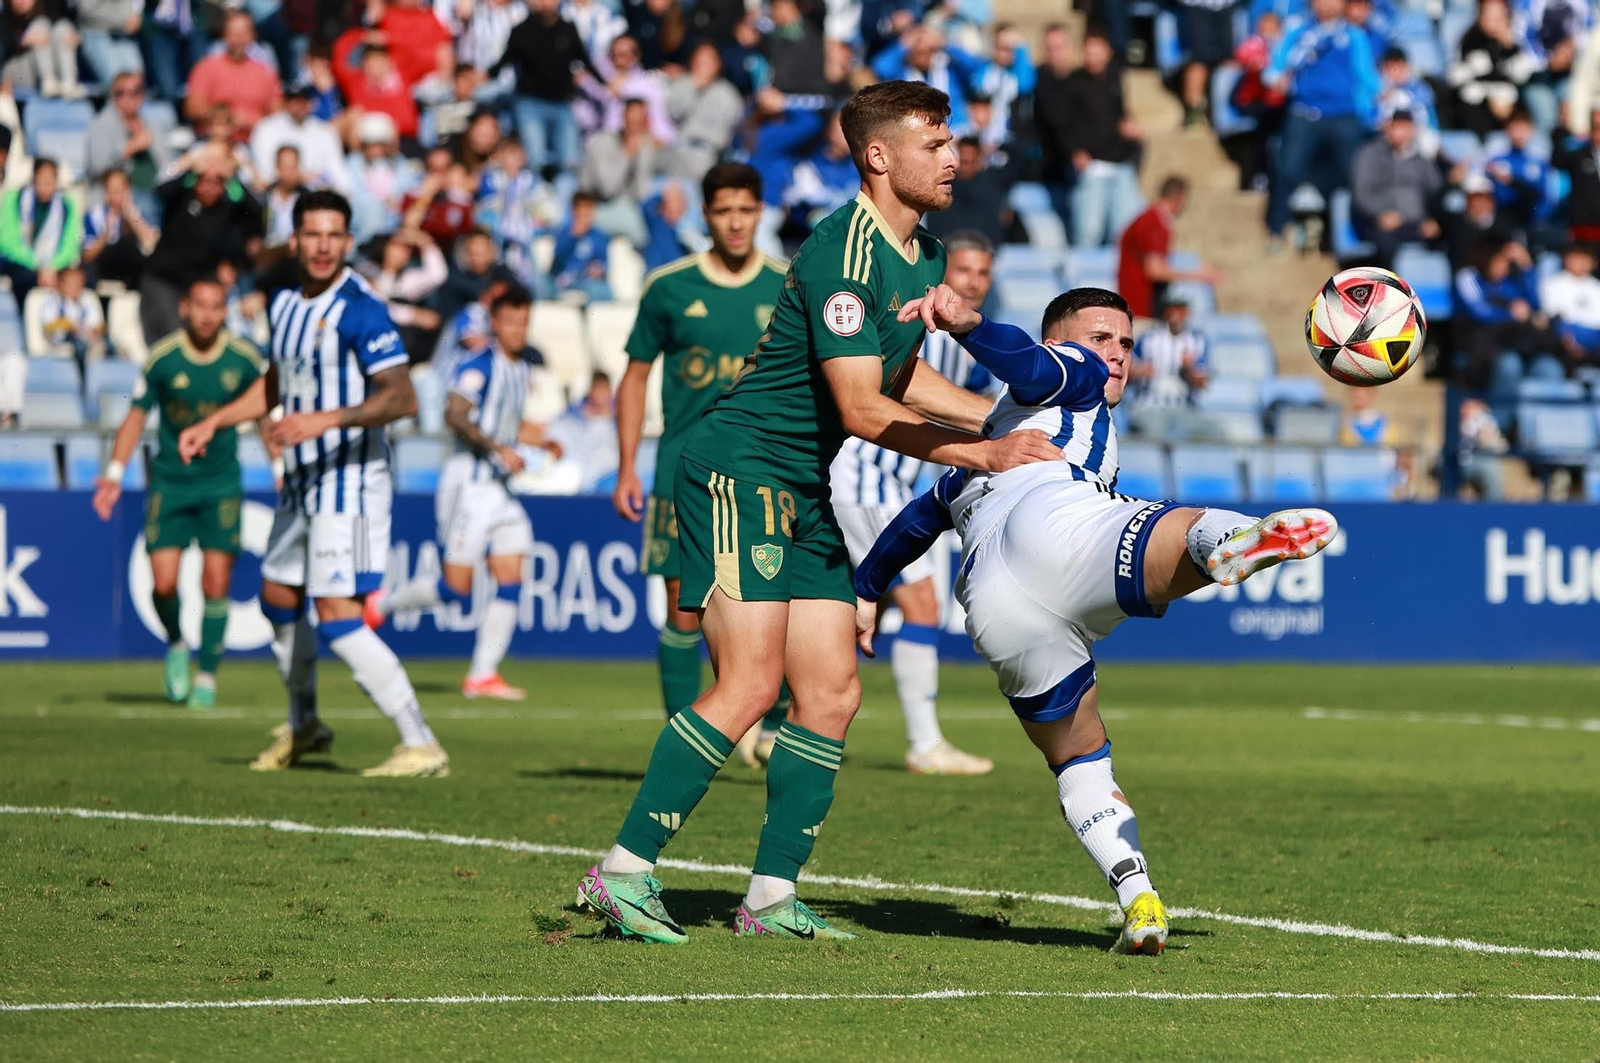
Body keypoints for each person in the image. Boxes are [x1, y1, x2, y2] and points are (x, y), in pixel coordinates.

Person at [575, 81, 1061, 944]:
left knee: (831, 692)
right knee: (752, 684)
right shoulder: (843, 249)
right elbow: (863, 408)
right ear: (878, 156)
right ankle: (622, 872)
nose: (955, 155)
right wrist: (985, 454)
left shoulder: (922, 253)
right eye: (935, 141)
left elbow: (900, 374)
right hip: (739, 469)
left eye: (953, 141)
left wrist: (994, 418)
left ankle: (767, 897)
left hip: (804, 487)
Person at [854, 285, 1340, 955]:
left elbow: (916, 520)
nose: (1115, 354)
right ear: (1063, 339)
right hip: (1054, 524)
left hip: (992, 605)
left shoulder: (987, 442)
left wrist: (865, 589)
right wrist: (971, 327)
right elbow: (1030, 363)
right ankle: (1231, 542)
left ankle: (1138, 895)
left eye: (1126, 343)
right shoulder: (1070, 377)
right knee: (1176, 525)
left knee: (1079, 755)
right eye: (1100, 337)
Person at [177, 190, 450, 778]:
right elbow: (277, 383)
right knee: (277, 596)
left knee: (338, 614)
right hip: (302, 482)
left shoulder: (361, 307)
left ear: (348, 243)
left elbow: (400, 396)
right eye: (312, 234)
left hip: (349, 482)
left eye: (334, 235)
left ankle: (420, 741)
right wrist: (212, 421)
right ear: (295, 240)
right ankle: (304, 725)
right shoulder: (283, 304)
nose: (323, 246)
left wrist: (323, 420)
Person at [611, 163, 790, 732]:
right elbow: (635, 376)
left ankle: (773, 725)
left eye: (745, 210)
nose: (735, 223)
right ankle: (682, 736)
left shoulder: (788, 285)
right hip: (681, 469)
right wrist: (625, 468)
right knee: (683, 608)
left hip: (762, 469)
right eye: (723, 211)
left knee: (772, 606)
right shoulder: (669, 286)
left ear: (760, 212)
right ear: (705, 215)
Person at [827, 229, 998, 777]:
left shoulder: (963, 335)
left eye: (982, 274)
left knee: (844, 608)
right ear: (944, 274)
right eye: (964, 271)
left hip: (887, 484)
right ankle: (925, 744)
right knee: (922, 607)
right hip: (869, 476)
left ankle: (776, 718)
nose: (972, 282)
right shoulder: (933, 327)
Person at [366, 286, 558, 697]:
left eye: (524, 322)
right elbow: (455, 414)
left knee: (511, 576)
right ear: (495, 324)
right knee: (456, 588)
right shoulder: (477, 366)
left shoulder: (521, 369)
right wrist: (498, 448)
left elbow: (507, 423)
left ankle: (482, 674)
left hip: (500, 489)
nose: (519, 330)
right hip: (467, 484)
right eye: (511, 322)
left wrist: (543, 441)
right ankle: (381, 605)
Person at [93, 276, 266, 709]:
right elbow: (135, 418)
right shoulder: (163, 359)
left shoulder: (243, 359)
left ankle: (206, 675)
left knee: (216, 580)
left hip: (221, 482)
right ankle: (175, 641)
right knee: (165, 583)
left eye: (216, 306)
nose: (208, 315)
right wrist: (114, 473)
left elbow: (266, 408)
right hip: (170, 481)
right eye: (200, 305)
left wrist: (280, 466)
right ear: (185, 308)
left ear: (225, 311)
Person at [1263, 0, 1379, 247]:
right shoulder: (1298, 31)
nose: (1327, 5)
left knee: (1355, 174)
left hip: (1344, 116)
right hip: (1304, 114)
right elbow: (1274, 68)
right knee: (1288, 171)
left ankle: (1353, 232)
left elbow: (1367, 76)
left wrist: (1382, 94)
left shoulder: (1353, 36)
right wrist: (1276, 80)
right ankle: (1276, 229)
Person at [1061, 27, 1144, 249]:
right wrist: (1075, 151)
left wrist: (1131, 126)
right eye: (1089, 51)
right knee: (1088, 232)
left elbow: (1121, 114)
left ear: (1108, 52)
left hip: (1120, 164)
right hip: (1092, 167)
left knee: (1126, 231)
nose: (1093, 56)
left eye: (1098, 50)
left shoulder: (1116, 76)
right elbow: (1064, 125)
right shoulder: (1073, 83)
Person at [1116, 176, 1223, 322]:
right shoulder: (1154, 223)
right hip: (1141, 309)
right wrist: (1198, 276)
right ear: (1180, 198)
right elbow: (1155, 270)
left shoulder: (1150, 219)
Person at [1349, 107, 1444, 268]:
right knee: (1387, 245)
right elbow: (1361, 192)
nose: (1400, 133)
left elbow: (1436, 191)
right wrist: (1380, 214)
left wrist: (1434, 219)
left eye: (1405, 128)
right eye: (1396, 127)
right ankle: (1390, 289)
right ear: (1387, 128)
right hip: (1382, 223)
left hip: (1417, 222)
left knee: (1450, 237)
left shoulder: (1421, 158)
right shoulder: (1369, 154)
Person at [184, 10, 283, 135]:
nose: (238, 40)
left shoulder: (266, 72)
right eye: (234, 34)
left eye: (243, 34)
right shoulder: (206, 66)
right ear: (224, 35)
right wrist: (228, 118)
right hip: (215, 139)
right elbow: (192, 108)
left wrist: (253, 122)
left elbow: (278, 114)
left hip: (255, 140)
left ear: (252, 36)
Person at [85, 72, 176, 204]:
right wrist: (129, 148)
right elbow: (97, 167)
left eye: (134, 92)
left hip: (157, 194)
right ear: (112, 96)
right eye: (120, 93)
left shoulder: (154, 125)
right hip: (120, 200)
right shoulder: (101, 125)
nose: (127, 98)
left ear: (143, 95)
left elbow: (168, 166)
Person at [0, 159, 82, 304]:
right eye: (41, 180)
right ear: (34, 178)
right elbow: (7, 243)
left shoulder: (66, 204)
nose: (45, 186)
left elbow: (70, 246)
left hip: (53, 267)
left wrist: (52, 267)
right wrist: (37, 265)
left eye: (49, 181)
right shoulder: (15, 198)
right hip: (23, 263)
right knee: (23, 277)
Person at [250, 83, 353, 195]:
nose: (296, 107)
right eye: (292, 101)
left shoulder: (324, 132)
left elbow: (337, 171)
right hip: (277, 194)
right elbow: (265, 172)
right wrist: (297, 177)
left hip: (314, 194)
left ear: (309, 103)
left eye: (301, 101)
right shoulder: (266, 129)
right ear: (285, 103)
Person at [82, 169, 158, 290]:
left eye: (120, 189)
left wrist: (131, 218)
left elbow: (151, 241)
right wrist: (106, 233)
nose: (116, 195)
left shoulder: (136, 214)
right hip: (103, 264)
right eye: (111, 190)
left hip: (130, 268)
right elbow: (87, 255)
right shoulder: (94, 215)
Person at [1130, 295, 1210, 409]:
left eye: (1182, 311)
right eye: (1174, 310)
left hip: (1184, 405)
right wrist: (1141, 370)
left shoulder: (1198, 341)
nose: (1177, 316)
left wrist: (1189, 369)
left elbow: (1202, 383)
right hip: (1150, 404)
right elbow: (1129, 369)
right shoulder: (1148, 338)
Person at [30, 264, 105, 368]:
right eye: (72, 283)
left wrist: (87, 329)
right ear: (60, 284)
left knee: (109, 346)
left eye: (79, 283)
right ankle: (82, 380)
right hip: (61, 340)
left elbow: (97, 325)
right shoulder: (51, 300)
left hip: (86, 339)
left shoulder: (87, 298)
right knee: (79, 347)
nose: (77, 287)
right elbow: (49, 325)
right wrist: (71, 326)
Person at [1539, 241, 1600, 363]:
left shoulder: (1597, 287)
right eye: (1577, 257)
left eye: (1585, 258)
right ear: (1566, 259)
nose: (1581, 262)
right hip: (1562, 349)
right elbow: (1552, 318)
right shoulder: (1552, 284)